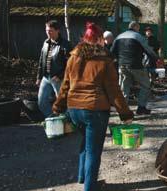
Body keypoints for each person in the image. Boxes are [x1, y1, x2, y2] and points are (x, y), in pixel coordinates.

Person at [52, 22, 134, 191]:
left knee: (86, 144)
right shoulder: (104, 60)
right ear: (99, 40)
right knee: (93, 151)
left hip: (74, 109)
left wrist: (58, 106)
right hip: (95, 111)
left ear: (84, 39)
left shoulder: (73, 57)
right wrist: (125, 114)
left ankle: (83, 178)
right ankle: (90, 187)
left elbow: (65, 85)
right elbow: (114, 90)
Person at [111, 21, 158, 115]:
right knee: (146, 85)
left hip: (122, 66)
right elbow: (148, 50)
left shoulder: (119, 37)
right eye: (138, 28)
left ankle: (123, 110)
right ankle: (141, 107)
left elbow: (112, 52)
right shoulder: (138, 36)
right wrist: (155, 58)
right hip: (136, 66)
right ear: (136, 27)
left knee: (124, 88)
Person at [36, 20, 71, 117]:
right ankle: (54, 122)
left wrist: (60, 76)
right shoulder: (46, 43)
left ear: (57, 30)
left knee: (63, 104)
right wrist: (39, 77)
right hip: (46, 78)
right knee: (41, 103)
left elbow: (70, 65)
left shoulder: (66, 45)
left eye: (50, 30)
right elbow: (41, 61)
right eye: (47, 30)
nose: (48, 33)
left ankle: (67, 124)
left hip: (59, 79)